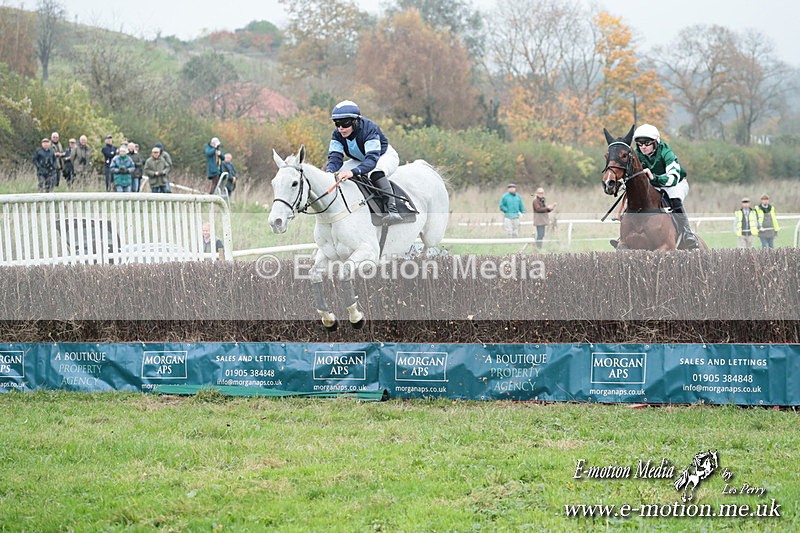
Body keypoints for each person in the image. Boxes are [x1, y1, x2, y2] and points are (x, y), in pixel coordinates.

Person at [325, 100, 403, 225]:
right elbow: (335, 158)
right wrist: (329, 172)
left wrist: (353, 172)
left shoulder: (369, 129)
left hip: (383, 156)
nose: (340, 128)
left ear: (356, 121)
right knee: (336, 174)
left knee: (375, 172)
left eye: (344, 123)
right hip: (360, 159)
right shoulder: (337, 134)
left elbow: (372, 160)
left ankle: (392, 209)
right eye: (337, 123)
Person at [633, 124, 699, 250]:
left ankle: (686, 233)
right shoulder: (637, 154)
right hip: (654, 184)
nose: (643, 147)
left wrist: (653, 178)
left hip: (675, 183)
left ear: (655, 142)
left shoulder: (666, 152)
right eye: (639, 144)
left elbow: (672, 179)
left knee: (675, 200)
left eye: (646, 143)